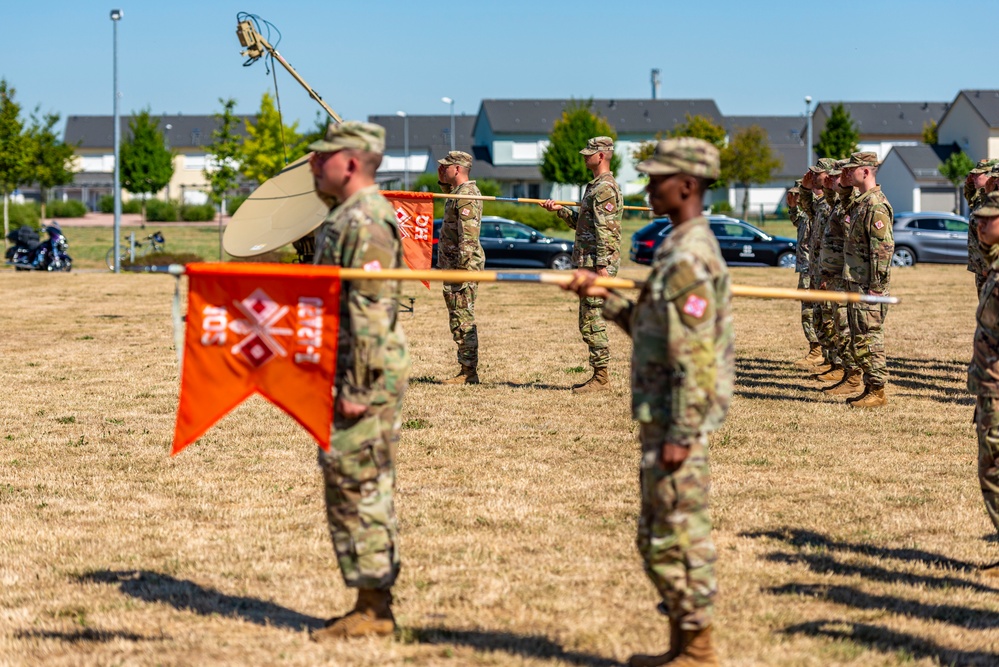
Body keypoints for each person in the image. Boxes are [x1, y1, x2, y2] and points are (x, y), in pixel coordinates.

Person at [563, 137, 732, 666]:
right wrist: (604, 296)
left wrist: (683, 433)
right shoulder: (674, 245)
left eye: (658, 179)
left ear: (687, 186)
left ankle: (699, 646)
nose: (648, 187)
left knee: (678, 531)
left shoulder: (689, 255)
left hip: (677, 421)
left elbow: (700, 356)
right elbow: (655, 332)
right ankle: (683, 642)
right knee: (659, 532)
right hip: (661, 416)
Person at [306, 121, 411, 641]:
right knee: (349, 479)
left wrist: (356, 388)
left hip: (363, 376)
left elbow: (370, 313)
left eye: (321, 156)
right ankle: (369, 600)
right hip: (351, 369)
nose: (311, 163)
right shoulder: (345, 215)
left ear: (349, 162)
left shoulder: (366, 221)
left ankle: (374, 608)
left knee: (360, 483)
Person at [540, 136, 623, 393]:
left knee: (592, 320)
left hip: (596, 264)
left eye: (590, 153)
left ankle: (601, 378)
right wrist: (561, 210)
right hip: (589, 262)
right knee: (588, 319)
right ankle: (600, 375)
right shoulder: (595, 186)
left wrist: (602, 266)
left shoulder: (605, 188)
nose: (585, 156)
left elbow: (607, 231)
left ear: (601, 156)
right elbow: (585, 226)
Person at [839, 151, 893, 408]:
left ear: (866, 171)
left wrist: (877, 288)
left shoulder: (876, 205)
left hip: (868, 285)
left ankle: (878, 391)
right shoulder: (861, 201)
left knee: (870, 336)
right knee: (860, 336)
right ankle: (870, 387)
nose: (848, 173)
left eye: (852, 169)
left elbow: (882, 250)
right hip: (857, 280)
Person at [967, 190, 999, 571]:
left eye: (988, 217)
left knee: (993, 472)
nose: (979, 222)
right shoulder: (993, 264)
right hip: (989, 386)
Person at [436, 150, 485, 384]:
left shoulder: (466, 195)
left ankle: (469, 372)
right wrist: (441, 181)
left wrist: (463, 271)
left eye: (446, 166)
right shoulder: (458, 192)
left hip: (461, 268)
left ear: (457, 169)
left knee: (463, 319)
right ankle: (466, 370)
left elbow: (469, 236)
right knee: (458, 317)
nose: (443, 169)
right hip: (454, 266)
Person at [789, 178, 822, 368]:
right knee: (807, 310)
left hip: (814, 269)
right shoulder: (805, 215)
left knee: (813, 311)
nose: (796, 197)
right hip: (805, 268)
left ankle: (819, 349)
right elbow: (797, 222)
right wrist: (792, 208)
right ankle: (815, 348)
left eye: (798, 195)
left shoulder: (818, 212)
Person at [967, 159, 998, 295]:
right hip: (981, 268)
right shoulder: (983, 199)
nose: (973, 177)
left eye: (977, 174)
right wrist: (968, 184)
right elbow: (970, 197)